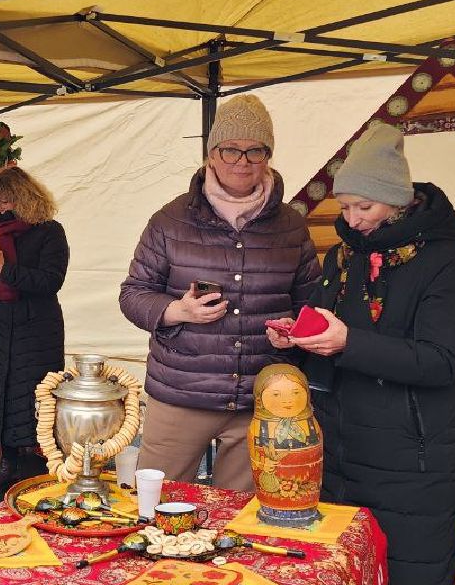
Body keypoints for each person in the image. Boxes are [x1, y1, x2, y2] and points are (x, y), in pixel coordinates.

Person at [267, 120, 455, 585]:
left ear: (397, 200)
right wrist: (299, 339)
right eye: (346, 207)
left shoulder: (447, 263)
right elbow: (334, 332)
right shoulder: (344, 258)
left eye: (362, 206)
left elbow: (441, 362)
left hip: (417, 454)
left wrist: (345, 343)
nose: (351, 219)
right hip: (346, 446)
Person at [120, 94, 319, 491]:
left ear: (269, 156)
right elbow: (133, 294)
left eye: (254, 151)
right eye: (230, 150)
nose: (241, 162)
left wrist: (293, 331)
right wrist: (177, 311)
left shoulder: (291, 226)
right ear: (211, 155)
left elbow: (311, 303)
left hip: (260, 400)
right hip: (180, 393)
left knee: (240, 521)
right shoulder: (170, 221)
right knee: (158, 507)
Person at [0, 167, 69, 496]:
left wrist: (6, 269)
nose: (0, 208)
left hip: (36, 328)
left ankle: (38, 469)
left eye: (5, 200)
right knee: (1, 393)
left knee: (35, 396)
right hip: (0, 324)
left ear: (24, 198)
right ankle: (8, 467)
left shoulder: (50, 232)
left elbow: (51, 281)